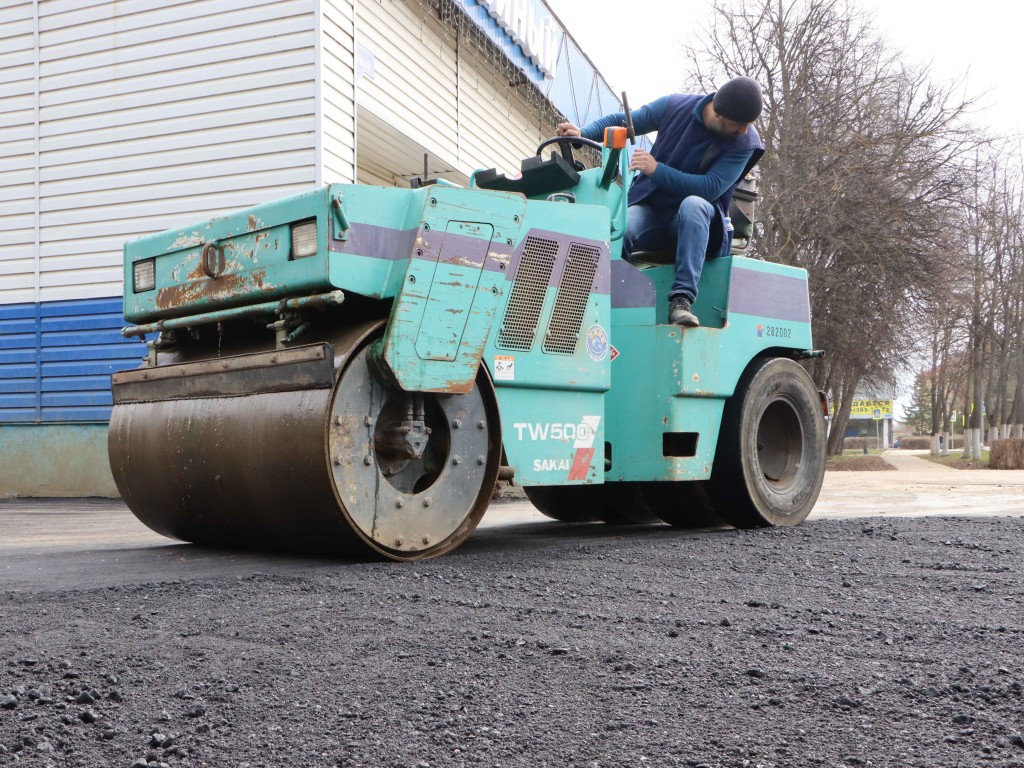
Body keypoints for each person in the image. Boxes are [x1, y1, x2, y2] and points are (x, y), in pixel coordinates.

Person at [556, 77, 765, 327]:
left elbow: (710, 188)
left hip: (698, 225)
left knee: (694, 204)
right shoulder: (675, 106)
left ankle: (681, 300)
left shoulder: (746, 143)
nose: (744, 130)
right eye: (740, 124)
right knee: (621, 227)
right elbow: (624, 122)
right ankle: (600, 299)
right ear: (719, 113)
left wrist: (657, 170)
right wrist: (582, 134)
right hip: (653, 210)